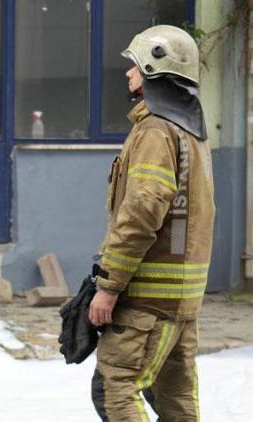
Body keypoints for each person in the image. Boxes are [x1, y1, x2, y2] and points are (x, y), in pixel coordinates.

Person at [88, 25, 214, 421]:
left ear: (153, 71)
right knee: (176, 400)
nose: (127, 74)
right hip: (181, 298)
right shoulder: (191, 133)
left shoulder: (156, 130)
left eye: (134, 67)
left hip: (147, 299)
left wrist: (108, 286)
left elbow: (142, 212)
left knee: (114, 389)